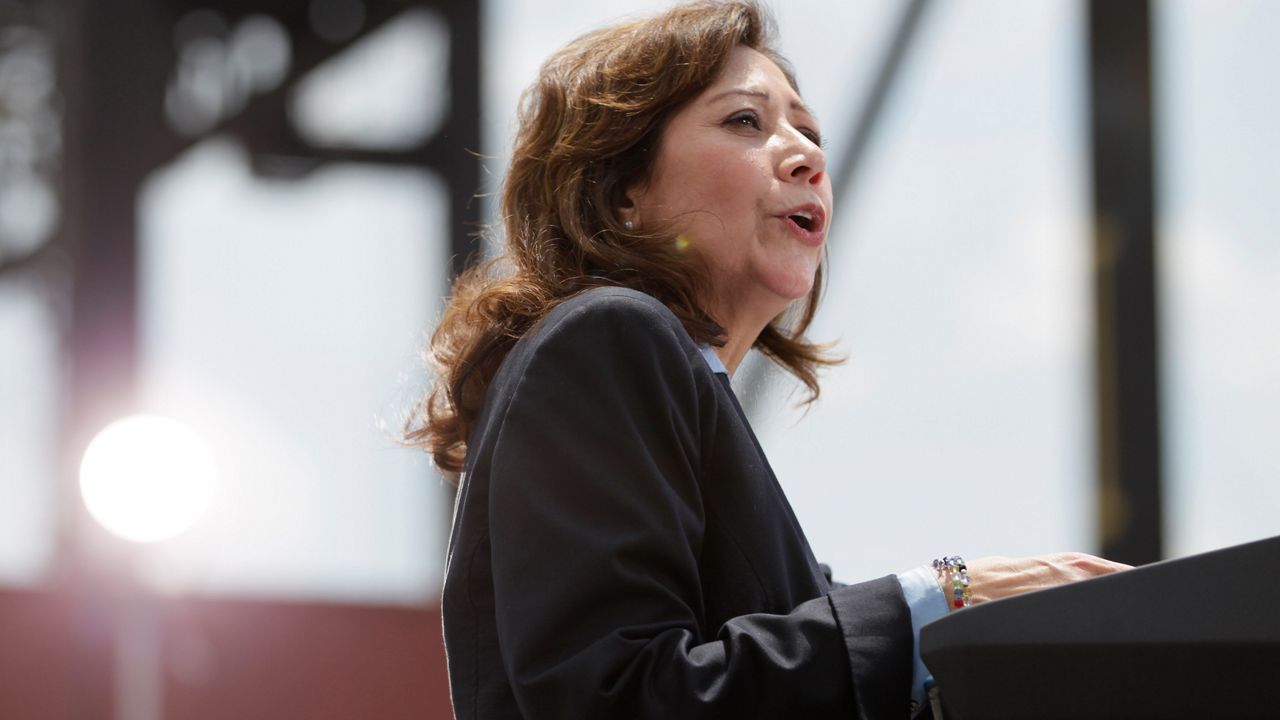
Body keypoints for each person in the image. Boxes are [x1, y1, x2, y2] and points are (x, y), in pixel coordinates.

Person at [406, 2, 1128, 718]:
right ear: (622, 186)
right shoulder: (608, 335)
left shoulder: (665, 378)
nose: (808, 154)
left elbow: (804, 665)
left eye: (809, 131)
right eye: (745, 122)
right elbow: (618, 697)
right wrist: (947, 593)